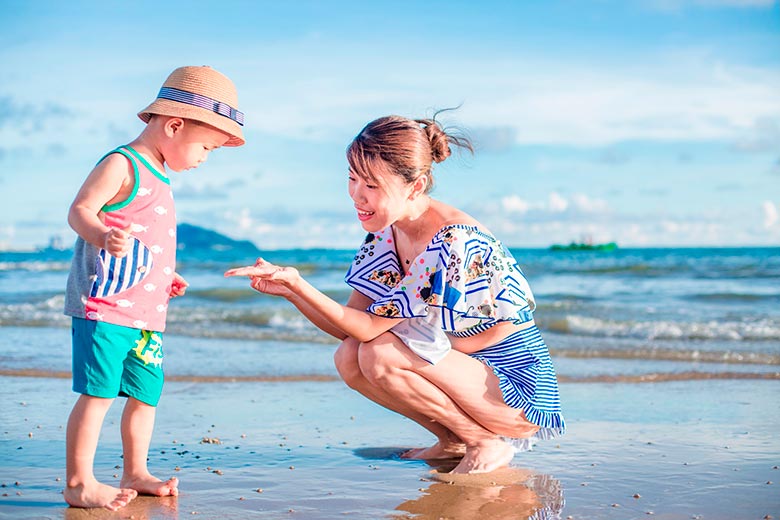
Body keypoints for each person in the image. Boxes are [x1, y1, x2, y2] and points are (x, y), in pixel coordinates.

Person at [225, 113, 564, 474]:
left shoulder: (452, 238)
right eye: (352, 179)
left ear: (415, 187)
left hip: (516, 390)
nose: (357, 195)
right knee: (349, 356)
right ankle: (452, 441)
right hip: (461, 376)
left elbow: (372, 328)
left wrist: (299, 283)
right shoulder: (385, 233)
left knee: (380, 354)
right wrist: (292, 293)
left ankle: (483, 441)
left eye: (371, 184)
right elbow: (350, 328)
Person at [63, 65, 245, 510]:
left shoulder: (161, 174)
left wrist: (164, 276)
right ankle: (79, 482)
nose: (205, 158)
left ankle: (136, 471)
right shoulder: (122, 163)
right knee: (99, 392)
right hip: (104, 305)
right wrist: (102, 235)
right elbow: (80, 210)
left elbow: (149, 242)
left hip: (146, 314)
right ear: (174, 125)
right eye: (206, 147)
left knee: (145, 394)